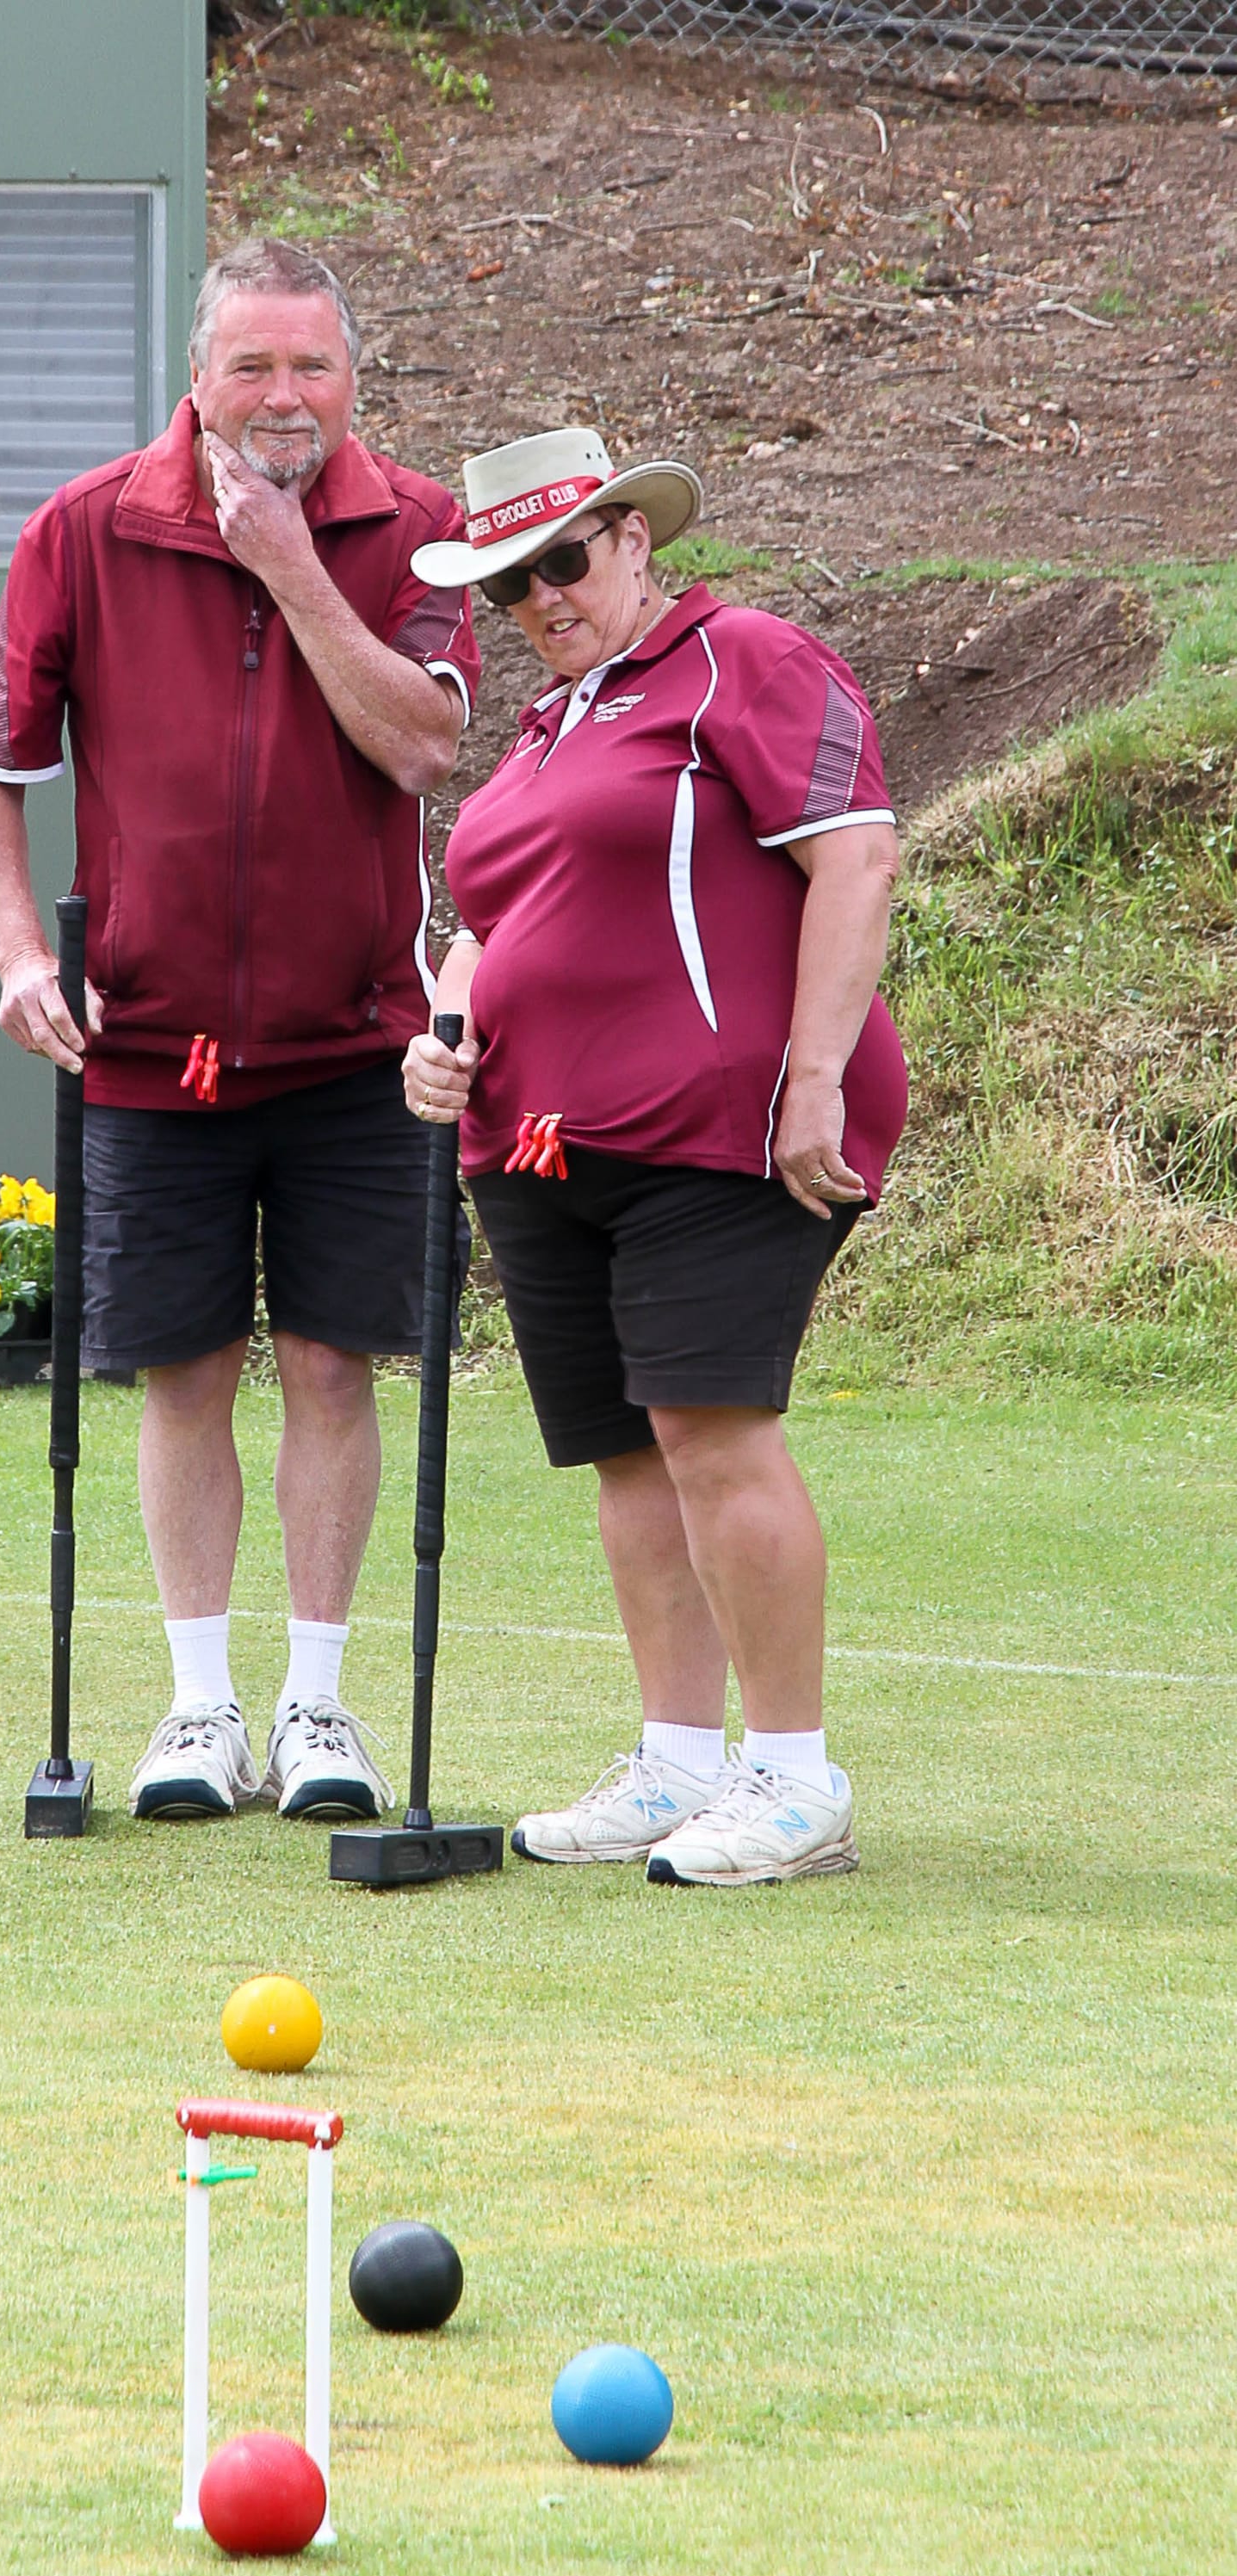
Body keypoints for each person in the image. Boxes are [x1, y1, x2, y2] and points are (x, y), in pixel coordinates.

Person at [0, 240, 479, 1825]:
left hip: (360, 1042)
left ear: (354, 377)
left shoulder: (420, 529)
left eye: (312, 366)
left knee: (332, 1362)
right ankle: (198, 1709)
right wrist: (18, 950)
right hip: (151, 1046)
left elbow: (424, 747)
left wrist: (292, 563)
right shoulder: (87, 526)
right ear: (198, 375)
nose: (284, 398)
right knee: (182, 1371)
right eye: (251, 366)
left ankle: (318, 1708)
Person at [402, 428, 906, 1887]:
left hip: (721, 1130)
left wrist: (812, 1077)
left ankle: (796, 1780)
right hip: (545, 1143)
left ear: (633, 540)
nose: (542, 598)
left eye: (563, 560)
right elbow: (495, 922)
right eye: (510, 584)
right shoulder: (553, 725)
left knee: (710, 1428)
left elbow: (855, 854)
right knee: (627, 1454)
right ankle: (682, 1760)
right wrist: (445, 1027)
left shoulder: (741, 659)